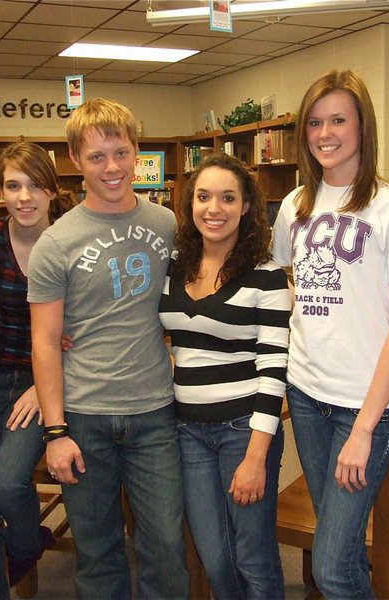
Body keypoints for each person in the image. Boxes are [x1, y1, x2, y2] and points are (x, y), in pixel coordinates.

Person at [271, 69, 389, 599]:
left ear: (363, 126)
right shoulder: (294, 205)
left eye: (338, 119)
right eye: (315, 122)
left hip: (368, 407)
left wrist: (362, 429)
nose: (325, 133)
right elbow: (284, 289)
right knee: (337, 550)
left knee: (333, 567)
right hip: (307, 394)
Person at [27, 97, 190, 599]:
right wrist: (55, 432)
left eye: (120, 152)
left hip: (155, 411)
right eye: (96, 157)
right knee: (97, 552)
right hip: (85, 415)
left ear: (137, 151)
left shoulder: (168, 224)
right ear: (76, 160)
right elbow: (45, 342)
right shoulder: (56, 243)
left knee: (165, 545)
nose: (112, 167)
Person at [159, 154, 292, 598]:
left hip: (244, 432)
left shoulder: (267, 277)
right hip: (189, 431)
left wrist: (256, 456)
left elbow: (274, 369)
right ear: (190, 203)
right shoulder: (174, 267)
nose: (214, 208)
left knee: (253, 555)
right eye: (203, 197)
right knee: (214, 556)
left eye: (227, 198)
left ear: (247, 207)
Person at [0, 142, 74, 598]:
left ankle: (28, 544)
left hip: (48, 377)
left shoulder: (73, 236)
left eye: (34, 185)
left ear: (51, 190)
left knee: (7, 482)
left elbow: (88, 325)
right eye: (13, 186)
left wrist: (42, 386)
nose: (24, 197)